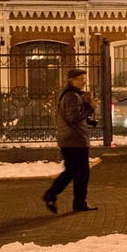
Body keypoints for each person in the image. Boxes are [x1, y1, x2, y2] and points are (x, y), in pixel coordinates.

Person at [43, 68, 98, 213]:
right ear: (72, 80)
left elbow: (72, 115)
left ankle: (52, 194)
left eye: (84, 79)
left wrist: (86, 109)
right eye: (81, 79)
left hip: (70, 138)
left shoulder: (70, 94)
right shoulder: (71, 96)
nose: (84, 81)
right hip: (74, 140)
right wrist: (90, 108)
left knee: (72, 171)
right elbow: (72, 118)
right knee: (82, 173)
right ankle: (78, 202)